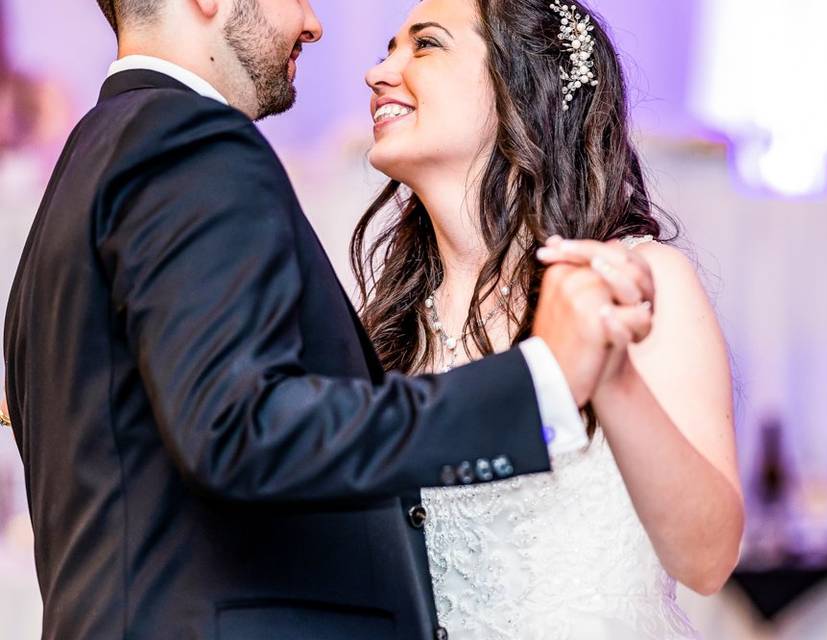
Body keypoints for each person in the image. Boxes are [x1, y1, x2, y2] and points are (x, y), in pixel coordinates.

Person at [1, 1, 649, 638]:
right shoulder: (192, 143)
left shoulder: (91, 160)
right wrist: (535, 385)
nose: (312, 23)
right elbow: (238, 428)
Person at [356, 0, 745, 637]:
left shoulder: (634, 282)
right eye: (386, 50)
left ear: (519, 84)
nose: (379, 73)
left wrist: (612, 376)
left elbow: (707, 560)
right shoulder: (391, 322)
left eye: (423, 46)